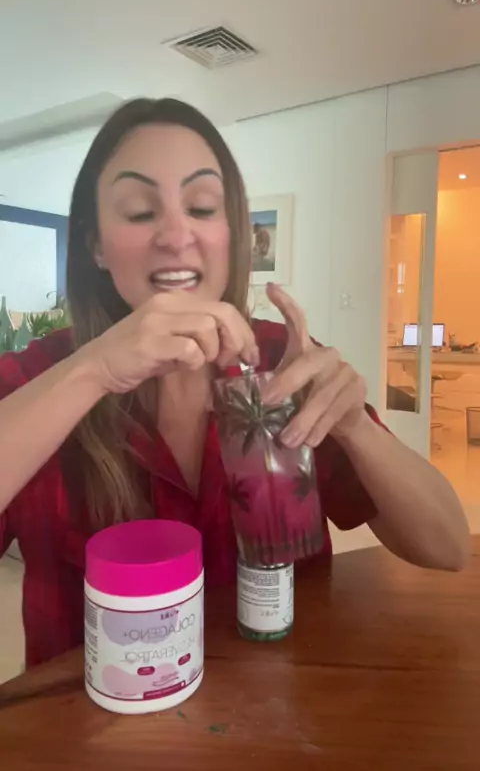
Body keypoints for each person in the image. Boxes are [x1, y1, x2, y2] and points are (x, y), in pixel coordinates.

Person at [0, 98, 469, 669]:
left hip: (286, 703)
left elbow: (448, 547)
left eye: (202, 207)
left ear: (232, 234)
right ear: (95, 244)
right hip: (95, 718)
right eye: (140, 212)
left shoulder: (281, 360)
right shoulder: (39, 378)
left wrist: (354, 428)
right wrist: (92, 370)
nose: (176, 235)